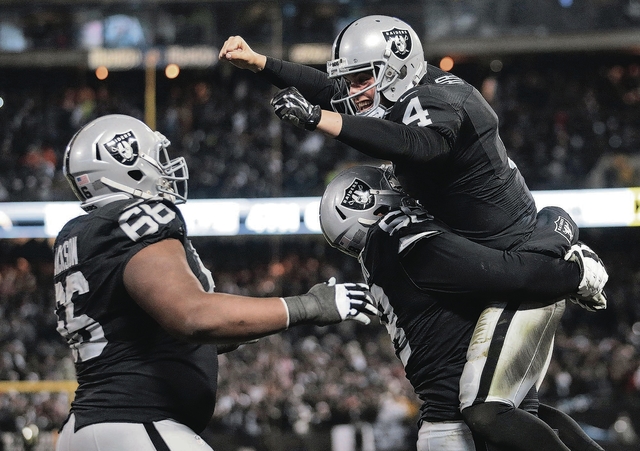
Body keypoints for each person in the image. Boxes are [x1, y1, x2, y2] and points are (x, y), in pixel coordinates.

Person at [219, 16, 608, 450]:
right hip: (520, 264)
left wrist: (266, 68)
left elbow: (406, 138)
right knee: (496, 410)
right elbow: (505, 272)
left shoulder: (385, 248)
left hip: (512, 260)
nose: (350, 93)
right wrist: (571, 259)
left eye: (360, 78)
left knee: (511, 409)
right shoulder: (411, 244)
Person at [53, 114, 377, 451]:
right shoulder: (136, 218)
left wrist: (262, 322)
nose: (165, 168)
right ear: (127, 163)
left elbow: (168, 336)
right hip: (135, 424)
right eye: (155, 157)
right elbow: (193, 316)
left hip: (93, 427)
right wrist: (309, 305)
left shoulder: (81, 234)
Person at [318, 164, 608, 451]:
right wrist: (568, 254)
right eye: (389, 183)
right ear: (370, 203)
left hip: (461, 424)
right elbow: (514, 275)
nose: (400, 186)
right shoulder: (400, 242)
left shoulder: (386, 253)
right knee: (500, 412)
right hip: (463, 430)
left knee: (537, 414)